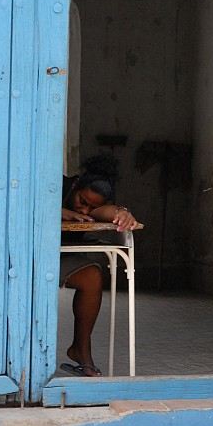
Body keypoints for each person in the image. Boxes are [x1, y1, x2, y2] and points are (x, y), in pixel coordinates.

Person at [59, 155, 139, 377]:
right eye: (82, 201)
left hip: (60, 258)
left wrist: (120, 213)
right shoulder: (55, 185)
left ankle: (80, 350)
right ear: (75, 185)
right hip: (29, 258)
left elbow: (103, 212)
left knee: (93, 276)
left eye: (91, 207)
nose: (84, 211)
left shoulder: (91, 208)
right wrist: (60, 212)